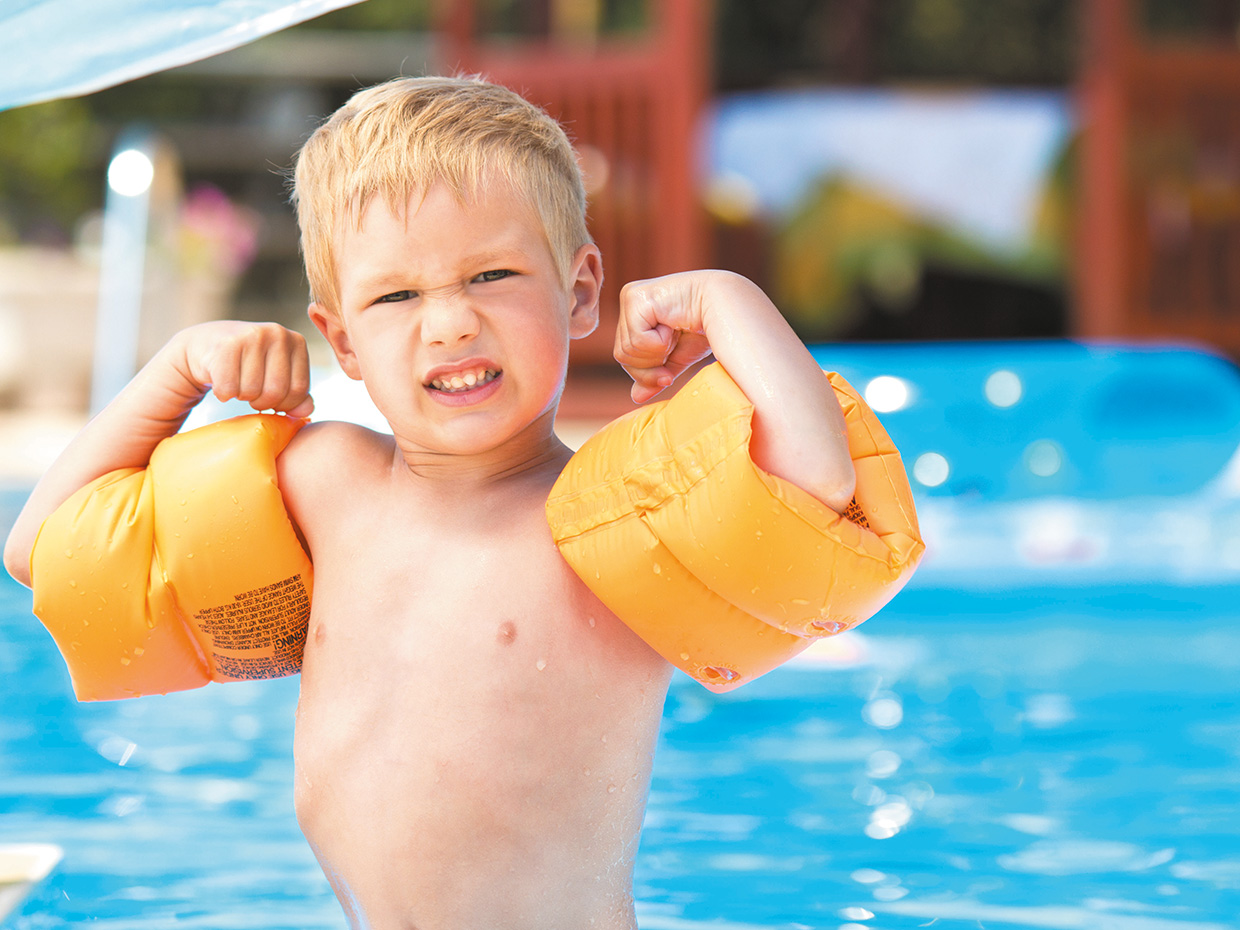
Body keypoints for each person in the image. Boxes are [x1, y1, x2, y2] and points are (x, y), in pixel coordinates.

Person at [3, 76, 905, 929]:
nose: (450, 322)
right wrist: (177, 372)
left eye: (492, 277)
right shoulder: (326, 487)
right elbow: (43, 551)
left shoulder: (610, 520)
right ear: (342, 339)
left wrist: (725, 298)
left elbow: (817, 480)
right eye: (397, 294)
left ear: (580, 289)